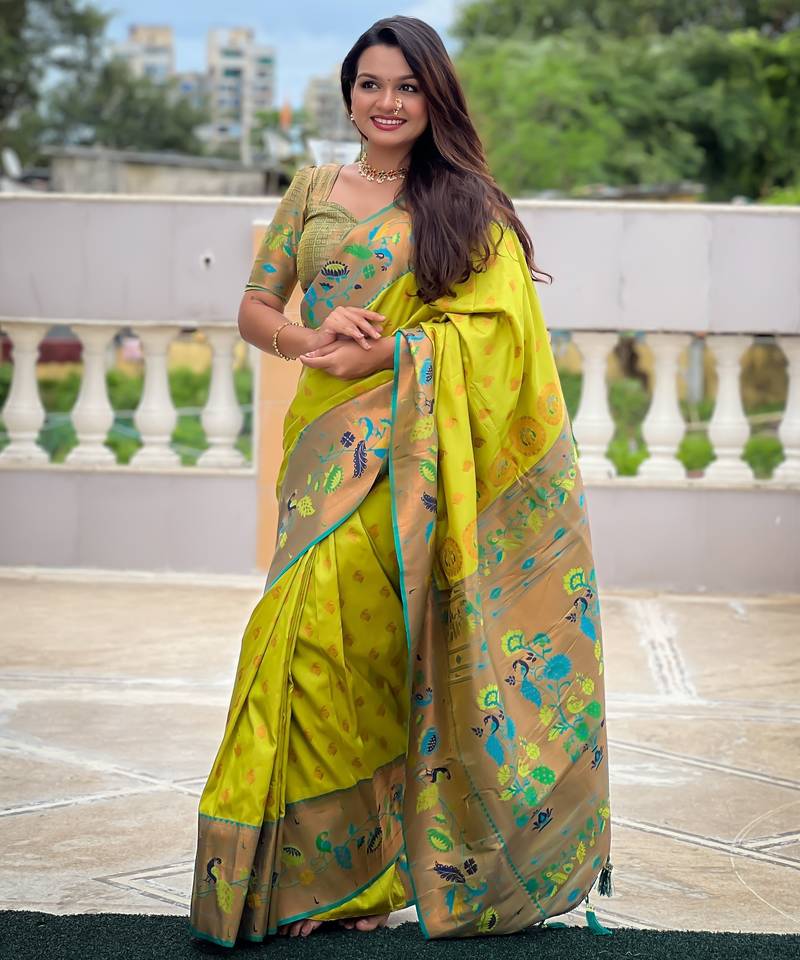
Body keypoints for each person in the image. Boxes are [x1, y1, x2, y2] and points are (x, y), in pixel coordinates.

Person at [188, 14, 614, 949]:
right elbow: (256, 308)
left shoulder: (465, 202)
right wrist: (310, 340)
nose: (387, 102)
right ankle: (299, 880)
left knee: (369, 654)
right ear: (349, 94)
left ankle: (358, 881)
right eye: (371, 84)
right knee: (296, 646)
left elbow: (497, 334)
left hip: (407, 462)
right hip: (320, 452)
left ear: (434, 97)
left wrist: (388, 356)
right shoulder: (311, 190)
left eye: (407, 86)